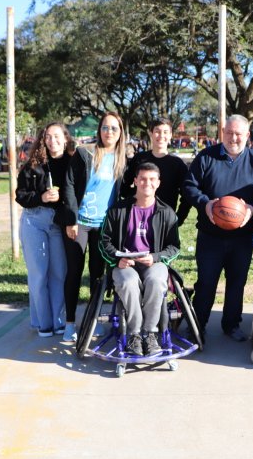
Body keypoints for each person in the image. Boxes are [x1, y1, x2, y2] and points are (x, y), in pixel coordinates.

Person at [183, 114, 253, 341]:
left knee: (237, 281)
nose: (234, 138)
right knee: (206, 281)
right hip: (210, 234)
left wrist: (252, 209)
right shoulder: (206, 157)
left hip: (242, 235)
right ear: (222, 133)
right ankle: (198, 325)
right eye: (229, 133)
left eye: (238, 134)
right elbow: (188, 187)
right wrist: (206, 204)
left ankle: (231, 325)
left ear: (247, 136)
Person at [100, 162, 180, 356]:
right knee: (127, 282)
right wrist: (116, 259)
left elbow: (174, 247)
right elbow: (104, 241)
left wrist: (155, 257)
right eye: (143, 179)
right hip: (125, 263)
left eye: (152, 179)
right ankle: (135, 334)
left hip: (153, 262)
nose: (147, 183)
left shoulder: (166, 212)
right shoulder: (118, 210)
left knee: (156, 279)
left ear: (158, 183)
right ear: (135, 181)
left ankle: (150, 333)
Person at [63, 111, 128, 342]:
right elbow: (69, 185)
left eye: (114, 128)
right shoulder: (85, 153)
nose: (109, 132)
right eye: (105, 127)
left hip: (104, 227)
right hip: (79, 224)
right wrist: (71, 219)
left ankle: (93, 320)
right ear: (99, 130)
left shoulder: (123, 159)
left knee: (98, 276)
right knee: (74, 273)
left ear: (120, 133)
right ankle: (70, 323)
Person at [16, 122, 74, 338]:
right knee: (39, 274)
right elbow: (20, 195)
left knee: (59, 273)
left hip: (58, 223)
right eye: (48, 136)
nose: (52, 140)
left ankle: (59, 321)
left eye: (57, 136)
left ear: (65, 138)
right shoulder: (33, 165)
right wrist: (40, 197)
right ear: (43, 139)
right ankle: (43, 322)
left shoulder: (72, 162)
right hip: (34, 221)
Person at [121, 118, 191, 225]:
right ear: (151, 133)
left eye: (165, 132)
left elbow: (187, 196)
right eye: (157, 131)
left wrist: (178, 218)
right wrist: (136, 198)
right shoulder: (139, 159)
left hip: (164, 220)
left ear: (171, 135)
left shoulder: (177, 164)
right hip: (138, 217)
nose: (161, 136)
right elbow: (124, 187)